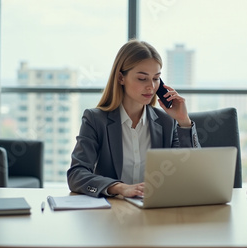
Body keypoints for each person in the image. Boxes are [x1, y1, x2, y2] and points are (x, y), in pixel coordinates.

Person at [67, 40, 200, 198]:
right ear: (121, 78)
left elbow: (192, 173)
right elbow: (76, 174)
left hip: (156, 211)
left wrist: (183, 121)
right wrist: (120, 188)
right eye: (142, 79)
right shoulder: (95, 120)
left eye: (156, 78)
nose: (151, 86)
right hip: (113, 211)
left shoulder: (166, 122)